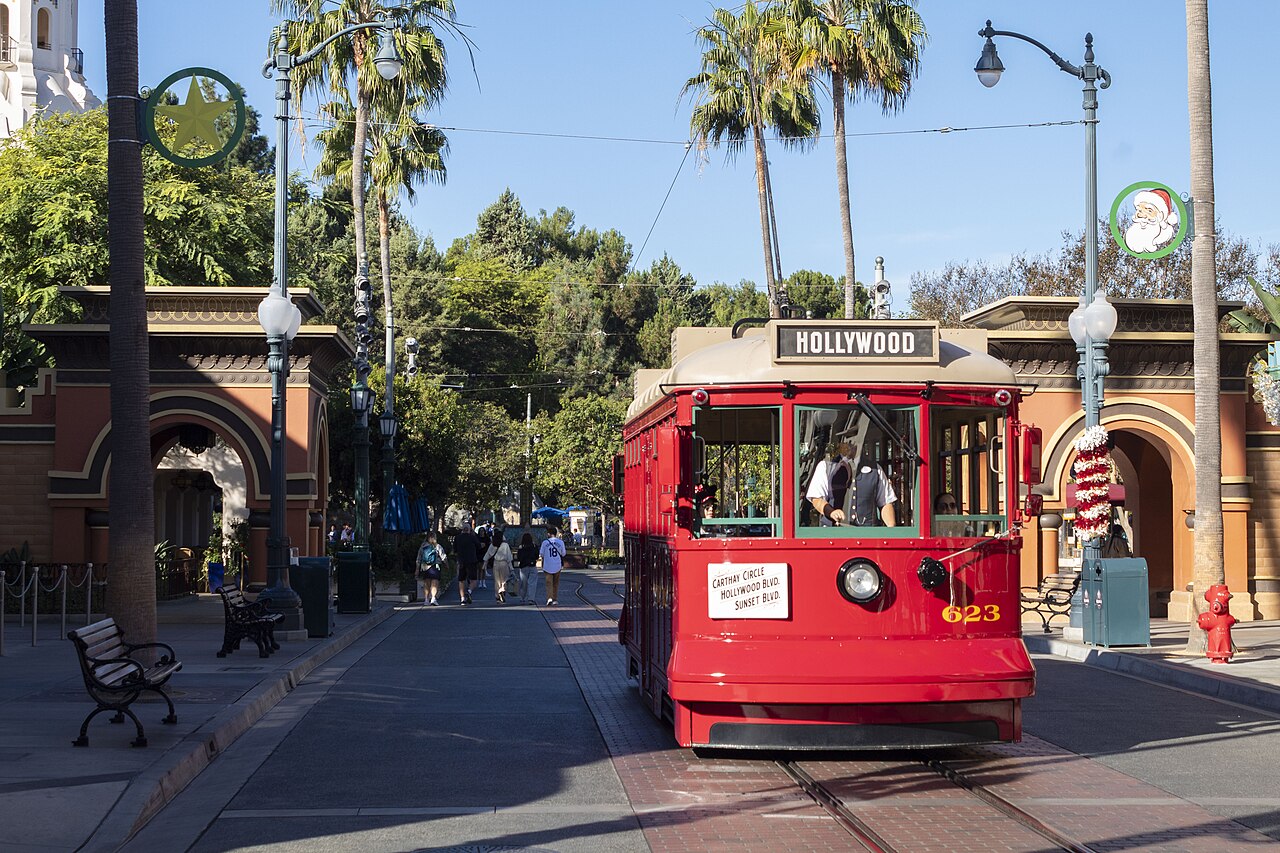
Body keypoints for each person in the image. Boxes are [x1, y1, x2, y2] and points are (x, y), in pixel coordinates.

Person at [807, 441, 896, 527]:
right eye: (847, 441)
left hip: (867, 536)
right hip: (834, 535)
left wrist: (891, 530)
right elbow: (816, 499)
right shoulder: (826, 466)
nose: (850, 444)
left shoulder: (875, 469)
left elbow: (886, 502)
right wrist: (831, 512)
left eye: (854, 441)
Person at [1123, 187, 1179, 254]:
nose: (1141, 214)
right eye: (1139, 210)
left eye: (1149, 210)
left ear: (1160, 216)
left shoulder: (1164, 239)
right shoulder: (1133, 232)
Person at [452, 519, 482, 605]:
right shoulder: (472, 537)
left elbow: (455, 549)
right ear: (469, 529)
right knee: (473, 580)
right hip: (472, 560)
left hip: (461, 560)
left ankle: (462, 599)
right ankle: (469, 591)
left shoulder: (457, 538)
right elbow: (479, 546)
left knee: (461, 580)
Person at [538, 525, 566, 606]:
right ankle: (555, 599)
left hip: (547, 565)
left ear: (549, 534)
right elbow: (563, 554)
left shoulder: (545, 542)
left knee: (548, 583)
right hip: (557, 565)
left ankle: (549, 597)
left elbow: (541, 554)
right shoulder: (561, 542)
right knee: (556, 583)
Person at [416, 532, 446, 605]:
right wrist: (446, 565)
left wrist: (417, 569)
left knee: (427, 583)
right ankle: (433, 598)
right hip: (435, 566)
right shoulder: (438, 546)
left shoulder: (423, 546)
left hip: (425, 567)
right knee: (434, 583)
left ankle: (426, 599)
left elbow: (418, 559)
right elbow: (443, 557)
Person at [486, 527, 514, 603]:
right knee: (505, 579)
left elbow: (488, 554)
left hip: (496, 563)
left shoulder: (493, 544)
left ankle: (497, 596)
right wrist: (511, 568)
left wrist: (484, 564)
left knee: (497, 581)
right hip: (504, 563)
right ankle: (503, 590)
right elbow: (509, 557)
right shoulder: (505, 545)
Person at [515, 531, 539, 603]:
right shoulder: (534, 546)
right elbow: (537, 556)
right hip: (532, 565)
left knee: (523, 583)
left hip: (523, 566)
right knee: (532, 583)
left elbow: (519, 557)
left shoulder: (521, 547)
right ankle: (531, 599)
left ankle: (522, 597)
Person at [475, 523, 492, 589]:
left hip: (485, 554)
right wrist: (480, 545)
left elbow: (489, 545)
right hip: (478, 554)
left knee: (484, 568)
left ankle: (484, 582)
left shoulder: (487, 538)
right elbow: (476, 545)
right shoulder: (477, 538)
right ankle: (479, 582)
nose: (482, 532)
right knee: (479, 569)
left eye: (483, 531)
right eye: (481, 531)